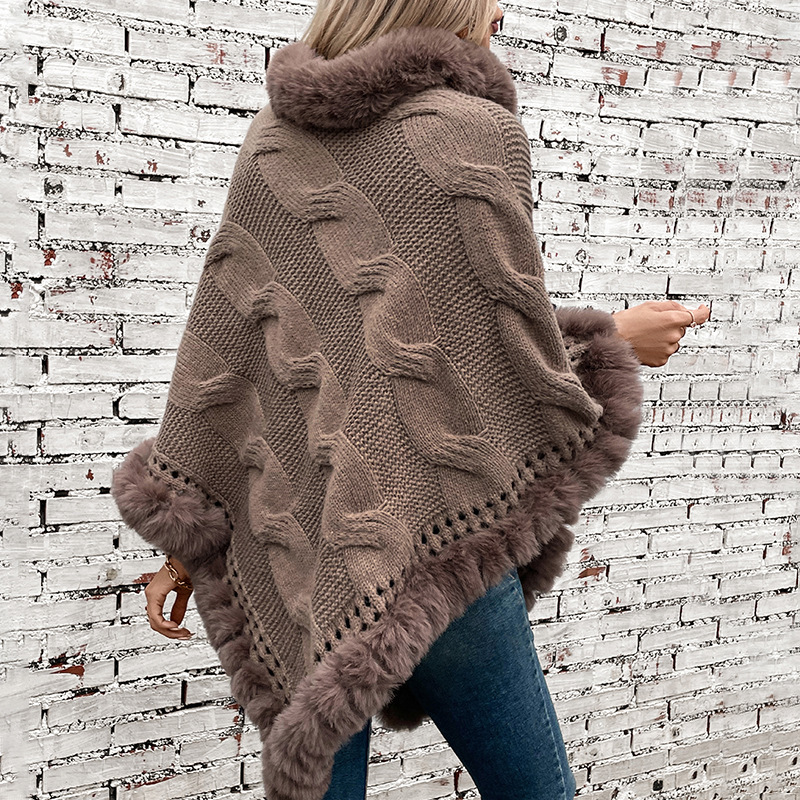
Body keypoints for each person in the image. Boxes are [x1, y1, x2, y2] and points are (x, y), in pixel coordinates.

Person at [116, 2, 710, 799]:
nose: (500, 10)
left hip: (316, 557)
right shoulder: (475, 135)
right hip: (442, 552)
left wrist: (183, 553)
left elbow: (235, 374)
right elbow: (512, 366)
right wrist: (618, 339)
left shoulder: (268, 144)